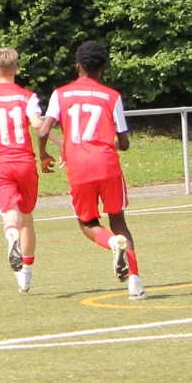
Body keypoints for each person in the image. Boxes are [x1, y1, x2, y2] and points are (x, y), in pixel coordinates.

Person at [36, 40, 143, 299]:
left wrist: (44, 155)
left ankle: (111, 243)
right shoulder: (112, 96)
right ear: (102, 69)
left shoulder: (60, 94)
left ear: (78, 67)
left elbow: (43, 130)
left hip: (79, 167)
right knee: (118, 221)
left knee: (87, 223)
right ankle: (135, 282)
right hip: (107, 165)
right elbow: (124, 144)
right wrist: (108, 143)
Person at [0, 47, 52, 293]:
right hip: (25, 163)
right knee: (27, 217)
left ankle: (11, 235)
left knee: (10, 214)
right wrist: (62, 145)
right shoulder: (27, 96)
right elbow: (38, 125)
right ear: (16, 69)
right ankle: (25, 274)